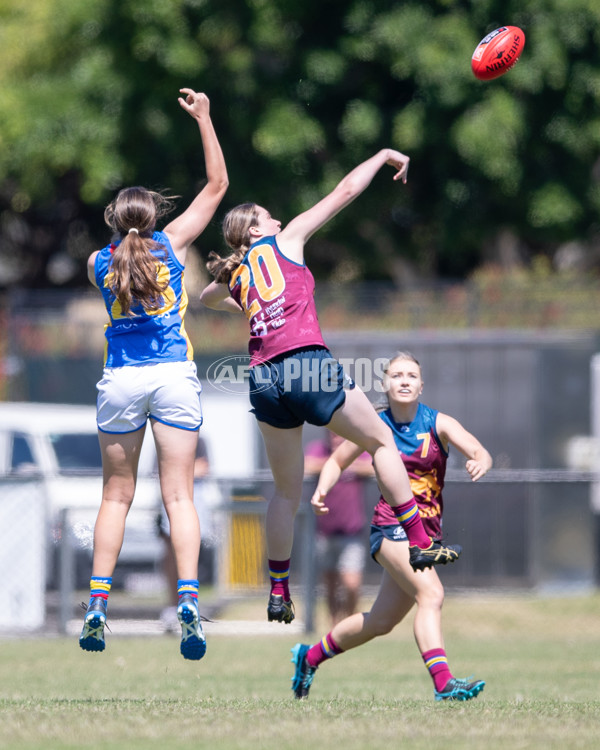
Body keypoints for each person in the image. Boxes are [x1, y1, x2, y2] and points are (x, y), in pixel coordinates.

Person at [199, 148, 461, 626]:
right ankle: (422, 543)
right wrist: (382, 156)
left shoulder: (235, 273)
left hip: (262, 378)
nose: (277, 219)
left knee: (284, 491)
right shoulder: (288, 240)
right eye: (266, 217)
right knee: (381, 441)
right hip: (305, 363)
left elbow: (205, 296)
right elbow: (344, 191)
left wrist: (247, 301)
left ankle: (278, 589)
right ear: (255, 230)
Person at [78, 89, 228, 661]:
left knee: (116, 497)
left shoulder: (98, 263)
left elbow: (119, 259)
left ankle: (97, 604)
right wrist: (205, 120)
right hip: (172, 377)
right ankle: (188, 598)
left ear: (114, 220)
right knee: (179, 498)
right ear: (155, 216)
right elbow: (216, 186)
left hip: (120, 381)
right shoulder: (172, 245)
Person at [290, 352, 491, 701]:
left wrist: (480, 461)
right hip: (390, 529)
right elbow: (337, 461)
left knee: (381, 621)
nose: (404, 380)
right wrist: (323, 487)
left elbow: (479, 450)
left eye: (411, 375)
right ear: (384, 383)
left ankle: (309, 657)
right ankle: (444, 682)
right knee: (432, 594)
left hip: (426, 535)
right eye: (396, 375)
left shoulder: (438, 423)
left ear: (421, 385)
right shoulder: (375, 427)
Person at [304, 430, 373, 625]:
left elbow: (373, 466)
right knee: (331, 585)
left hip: (351, 532)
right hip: (324, 531)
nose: (336, 436)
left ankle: (349, 624)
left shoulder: (357, 450)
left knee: (352, 585)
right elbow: (306, 465)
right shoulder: (319, 449)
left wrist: (344, 462)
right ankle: (335, 627)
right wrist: (334, 464)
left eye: (339, 433)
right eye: (331, 433)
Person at [157, 435, 211, 632]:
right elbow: (159, 471)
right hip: (169, 498)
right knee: (170, 552)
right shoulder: (161, 439)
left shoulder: (199, 440)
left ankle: (188, 603)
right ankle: (175, 604)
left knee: (189, 551)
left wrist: (178, 471)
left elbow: (204, 467)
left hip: (191, 498)